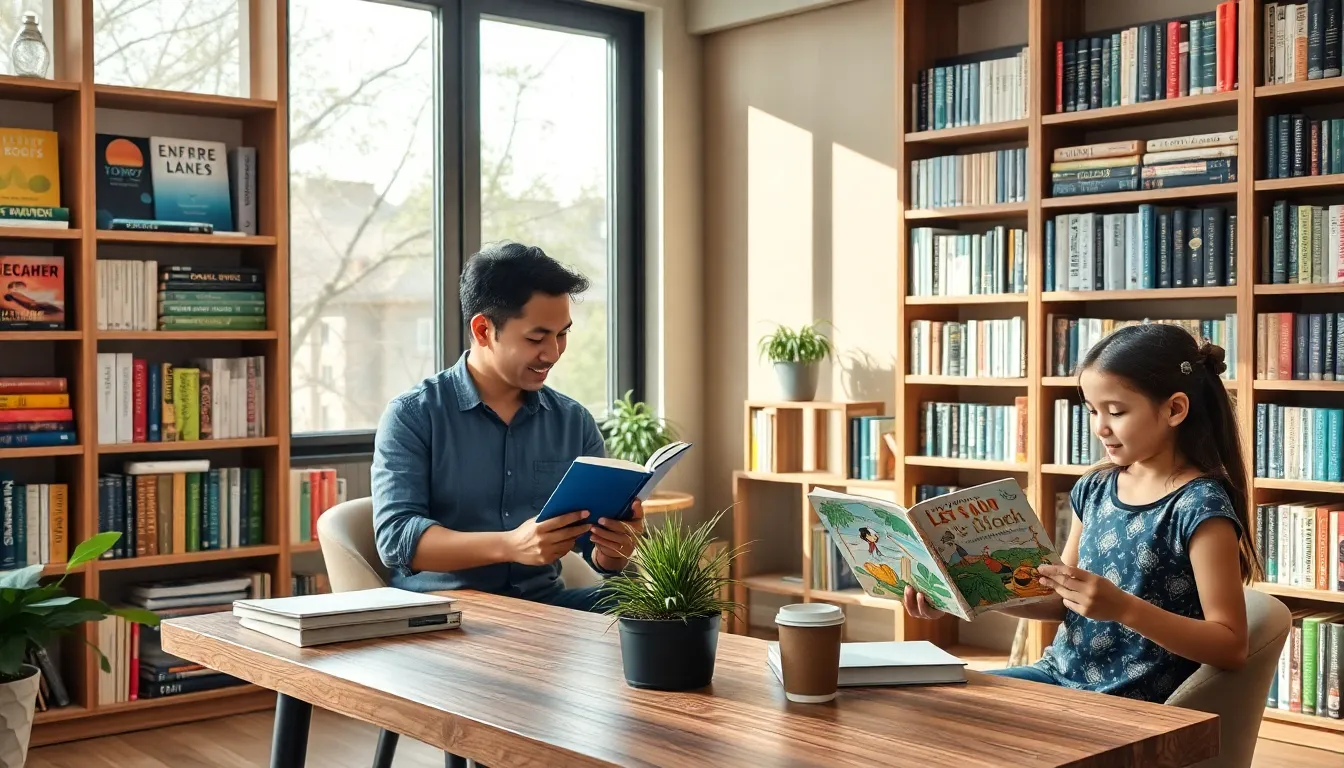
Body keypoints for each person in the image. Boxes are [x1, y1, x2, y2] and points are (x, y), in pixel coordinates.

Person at [904, 322, 1261, 702]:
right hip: (1057, 677)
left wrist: (1123, 608)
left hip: (1129, 702)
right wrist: (964, 593)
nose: (1100, 429)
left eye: (1117, 411)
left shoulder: (1200, 506)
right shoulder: (1095, 487)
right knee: (931, 701)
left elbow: (1231, 646)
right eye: (1092, 411)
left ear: (1174, 409)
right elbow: (1061, 598)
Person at [370, 241, 643, 613]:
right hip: (446, 612)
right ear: (483, 330)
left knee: (659, 608)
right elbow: (397, 540)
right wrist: (511, 544)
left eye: (562, 334)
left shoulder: (572, 421)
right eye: (536, 337)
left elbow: (595, 554)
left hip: (544, 605)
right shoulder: (412, 415)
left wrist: (615, 550)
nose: (553, 353)